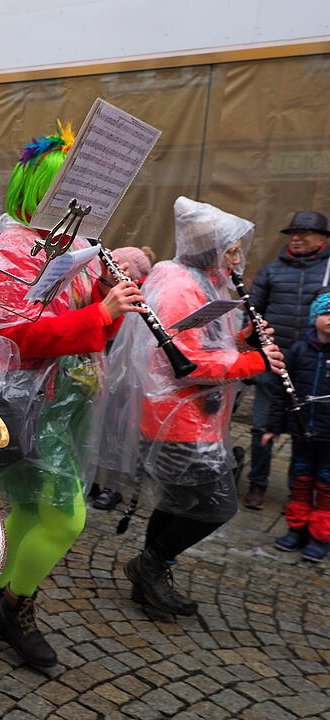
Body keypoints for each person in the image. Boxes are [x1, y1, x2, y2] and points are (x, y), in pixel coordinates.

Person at [0, 123, 146, 667]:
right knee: (66, 517)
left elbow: (93, 334)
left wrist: (103, 298)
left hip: (65, 404)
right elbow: (15, 332)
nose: (85, 210)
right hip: (24, 406)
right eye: (71, 197)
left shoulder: (79, 252)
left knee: (32, 507)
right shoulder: (9, 251)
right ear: (41, 193)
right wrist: (99, 311)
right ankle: (16, 606)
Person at [109, 196, 284, 616]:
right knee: (217, 506)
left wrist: (244, 342)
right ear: (210, 247)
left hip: (196, 416)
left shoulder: (204, 281)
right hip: (178, 418)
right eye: (232, 250)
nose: (238, 260)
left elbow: (208, 345)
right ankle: (149, 567)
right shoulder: (179, 285)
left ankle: (148, 578)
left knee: (177, 501)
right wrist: (256, 361)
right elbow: (185, 363)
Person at [244, 210, 330, 509]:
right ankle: (257, 484)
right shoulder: (271, 271)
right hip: (274, 360)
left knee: (305, 430)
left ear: (322, 238)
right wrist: (255, 350)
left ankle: (299, 490)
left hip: (313, 363)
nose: (295, 237)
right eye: (292, 232)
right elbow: (252, 313)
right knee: (262, 426)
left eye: (304, 232)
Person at [264, 290, 330, 561]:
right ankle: (297, 528)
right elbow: (281, 393)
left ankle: (320, 535)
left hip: (329, 436)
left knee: (326, 486)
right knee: (300, 480)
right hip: (302, 431)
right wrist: (273, 427)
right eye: (326, 313)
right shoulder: (299, 350)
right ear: (314, 317)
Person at [91, 245, 154, 512]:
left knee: (119, 433)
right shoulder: (108, 294)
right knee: (95, 430)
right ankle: (92, 481)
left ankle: (113, 487)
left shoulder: (142, 301)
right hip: (101, 374)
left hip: (126, 383)